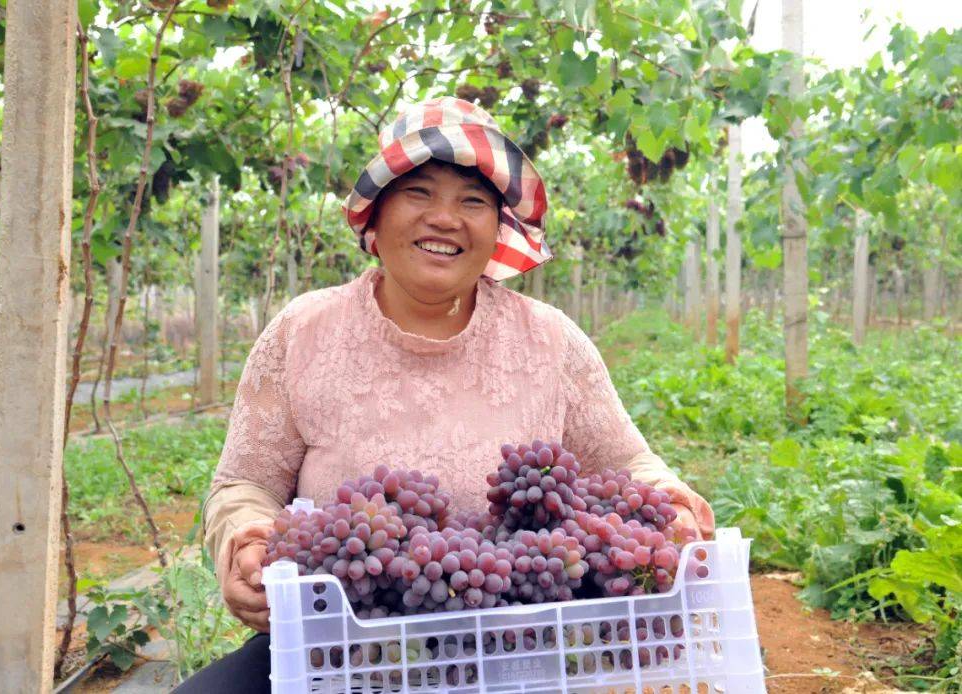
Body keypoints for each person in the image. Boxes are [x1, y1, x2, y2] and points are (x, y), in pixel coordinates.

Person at [173, 97, 714, 693]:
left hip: (519, 648)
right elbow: (246, 483)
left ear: (497, 230)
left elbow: (630, 466)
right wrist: (248, 541)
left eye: (473, 201)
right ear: (376, 218)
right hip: (344, 642)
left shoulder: (549, 340)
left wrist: (671, 503)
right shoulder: (305, 332)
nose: (445, 218)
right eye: (419, 193)